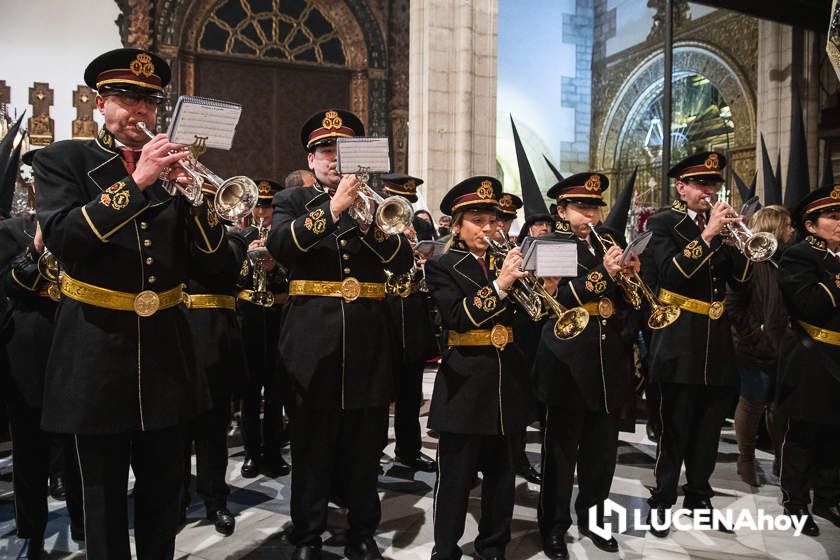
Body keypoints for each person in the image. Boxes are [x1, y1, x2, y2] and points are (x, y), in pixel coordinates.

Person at [33, 48, 232, 559]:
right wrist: (137, 182)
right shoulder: (64, 161)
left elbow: (213, 266)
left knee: (164, 491)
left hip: (165, 350)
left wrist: (201, 204)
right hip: (94, 347)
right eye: (125, 98)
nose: (139, 112)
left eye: (148, 102)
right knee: (99, 495)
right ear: (100, 103)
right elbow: (63, 239)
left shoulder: (175, 169)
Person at [266, 109, 414, 560]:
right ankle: (307, 532)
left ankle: (362, 530)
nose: (334, 159)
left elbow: (402, 263)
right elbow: (280, 247)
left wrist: (367, 214)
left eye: (343, 151)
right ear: (311, 160)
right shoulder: (293, 200)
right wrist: (334, 209)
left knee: (365, 446)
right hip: (311, 342)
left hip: (368, 343)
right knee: (311, 445)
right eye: (325, 151)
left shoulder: (376, 205)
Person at [424, 176, 534, 560]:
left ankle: (493, 547)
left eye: (494, 220)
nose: (488, 229)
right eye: (478, 220)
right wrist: (502, 285)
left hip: (508, 383)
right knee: (454, 480)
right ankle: (445, 549)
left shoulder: (511, 263)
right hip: (465, 385)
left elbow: (528, 322)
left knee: (503, 479)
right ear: (457, 225)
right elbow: (457, 317)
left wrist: (544, 290)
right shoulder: (443, 266)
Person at [642, 152, 751, 537]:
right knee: (675, 425)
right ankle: (663, 497)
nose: (709, 191)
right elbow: (671, 277)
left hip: (716, 341)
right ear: (681, 186)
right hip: (678, 337)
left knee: (708, 426)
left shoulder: (720, 227)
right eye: (701, 184)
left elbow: (739, 281)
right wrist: (707, 236)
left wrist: (741, 244)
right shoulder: (663, 223)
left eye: (713, 185)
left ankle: (700, 495)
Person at [533, 173, 638, 558]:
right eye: (582, 207)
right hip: (566, 357)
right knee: (561, 452)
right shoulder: (550, 244)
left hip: (608, 357)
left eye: (595, 206)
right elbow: (554, 298)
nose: (591, 214)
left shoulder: (609, 241)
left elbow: (628, 301)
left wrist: (630, 277)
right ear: (561, 210)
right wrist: (604, 276)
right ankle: (554, 527)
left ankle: (594, 518)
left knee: (602, 451)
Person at [0, 212, 84, 559]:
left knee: (79, 445)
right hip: (28, 349)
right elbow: (10, 285)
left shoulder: (79, 221)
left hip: (75, 341)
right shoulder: (9, 230)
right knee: (28, 447)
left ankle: (84, 524)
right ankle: (31, 531)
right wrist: (36, 245)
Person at [182, 187, 250, 535]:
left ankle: (215, 500)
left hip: (215, 338)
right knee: (174, 430)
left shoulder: (234, 239)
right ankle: (176, 498)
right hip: (175, 334)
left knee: (213, 429)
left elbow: (221, 261)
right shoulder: (171, 230)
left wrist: (201, 215)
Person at [776, 185, 840, 537]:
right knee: (803, 432)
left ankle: (828, 497)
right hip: (811, 355)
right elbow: (810, 304)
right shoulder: (799, 255)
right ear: (811, 225)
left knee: (835, 432)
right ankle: (796, 502)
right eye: (833, 216)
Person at [725, 205, 793, 486]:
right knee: (752, 404)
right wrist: (755, 333)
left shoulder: (787, 260)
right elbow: (733, 305)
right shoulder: (749, 259)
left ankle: (781, 458)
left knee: (780, 406)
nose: (792, 230)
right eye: (788, 225)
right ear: (776, 227)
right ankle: (746, 459)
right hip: (754, 347)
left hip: (784, 347)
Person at [380, 174, 438, 472]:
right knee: (379, 389)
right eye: (400, 201)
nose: (405, 207)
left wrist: (423, 260)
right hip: (385, 312)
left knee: (411, 388)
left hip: (412, 311)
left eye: (409, 202)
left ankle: (409, 449)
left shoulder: (420, 225)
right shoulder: (378, 224)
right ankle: (373, 451)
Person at [236, 179, 291, 478]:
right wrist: (249, 257)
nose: (262, 212)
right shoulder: (243, 236)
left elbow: (294, 277)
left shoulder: (285, 238)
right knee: (249, 389)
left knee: (275, 390)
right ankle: (250, 452)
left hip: (278, 314)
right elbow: (234, 279)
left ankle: (273, 451)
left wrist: (274, 268)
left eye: (267, 206)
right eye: (258, 205)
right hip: (250, 315)